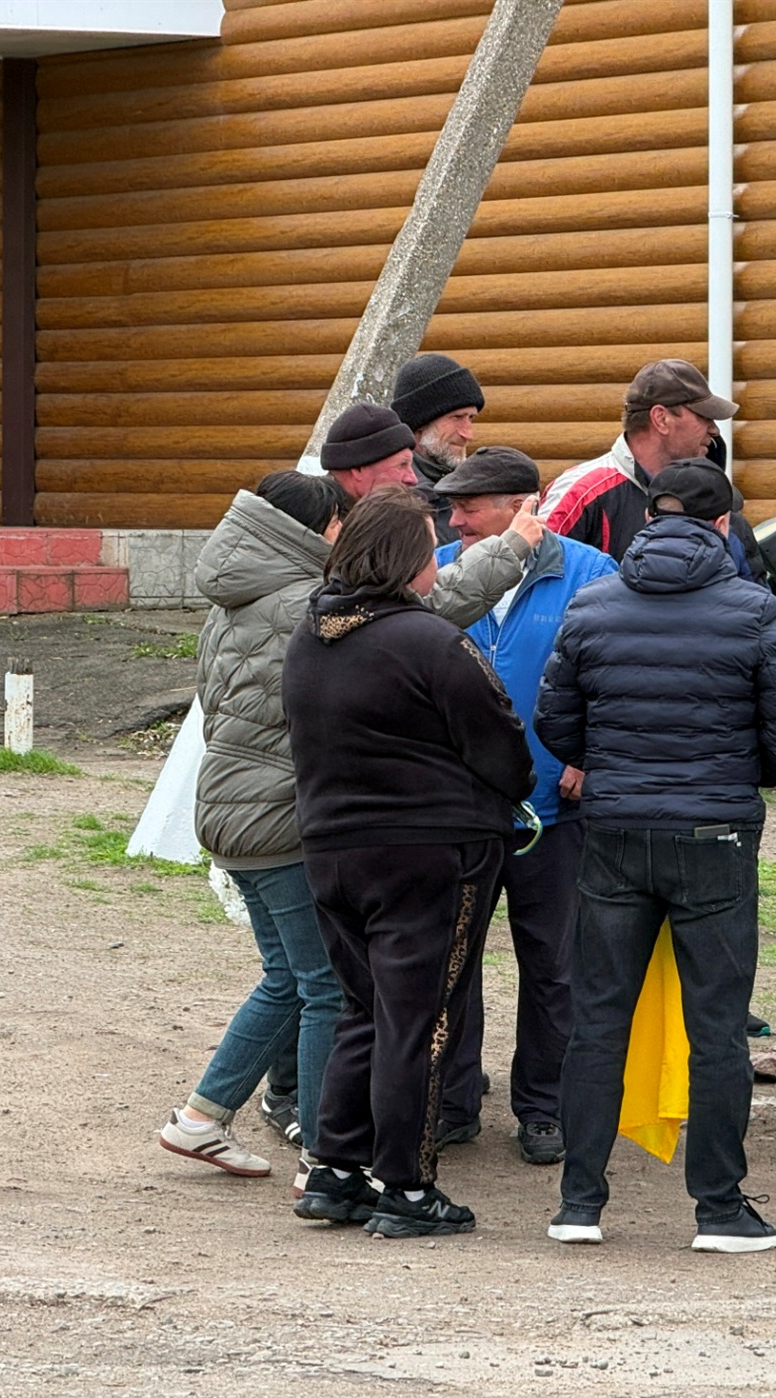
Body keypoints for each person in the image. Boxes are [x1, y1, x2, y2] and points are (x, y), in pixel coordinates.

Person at [535, 458, 776, 1253]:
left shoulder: (593, 605)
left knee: (597, 1020)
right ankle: (718, 1206)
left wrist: (617, 766)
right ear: (723, 524)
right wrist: (732, 776)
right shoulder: (752, 609)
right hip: (715, 836)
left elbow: (556, 724)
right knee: (719, 1027)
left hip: (615, 830)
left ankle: (579, 1200)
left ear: (652, 518)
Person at [281, 487, 536, 1238]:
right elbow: (502, 744)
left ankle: (335, 1164)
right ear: (407, 560)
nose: (439, 561)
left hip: (330, 849)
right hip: (430, 853)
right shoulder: (429, 640)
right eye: (429, 548)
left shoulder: (311, 633)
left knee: (364, 1007)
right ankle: (408, 1183)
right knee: (421, 1019)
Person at [157, 471, 350, 1181]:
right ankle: (326, 1154)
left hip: (228, 808)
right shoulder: (306, 602)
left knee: (287, 978)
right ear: (311, 530)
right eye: (336, 524)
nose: (341, 537)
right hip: (279, 816)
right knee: (324, 981)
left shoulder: (229, 597)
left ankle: (203, 1118)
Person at [429, 447, 618, 1164]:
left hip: (555, 811)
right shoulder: (444, 567)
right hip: (460, 809)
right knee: (452, 963)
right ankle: (452, 1100)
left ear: (519, 505)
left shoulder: (591, 575)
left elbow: (617, 672)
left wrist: (587, 753)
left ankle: (544, 1107)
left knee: (556, 967)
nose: (455, 521)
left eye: (469, 508)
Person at [319, 401, 546, 629]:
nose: (412, 478)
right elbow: (420, 611)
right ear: (358, 469)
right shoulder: (317, 526)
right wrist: (512, 547)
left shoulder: (349, 524)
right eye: (403, 465)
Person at [542, 359, 738, 563]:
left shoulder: (710, 492)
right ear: (661, 419)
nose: (714, 429)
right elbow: (534, 581)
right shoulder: (580, 494)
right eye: (704, 417)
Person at [390, 352, 485, 542]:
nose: (468, 434)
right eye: (457, 418)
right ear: (419, 426)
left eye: (471, 418)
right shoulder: (396, 500)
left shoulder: (472, 485)